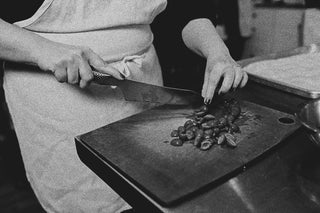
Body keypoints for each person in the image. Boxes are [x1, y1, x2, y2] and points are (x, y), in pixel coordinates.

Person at [0, 0, 248, 212]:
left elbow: (184, 8)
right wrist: (42, 49)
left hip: (143, 88)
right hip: (59, 94)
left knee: (153, 195)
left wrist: (216, 50)